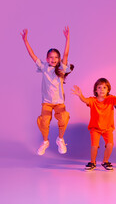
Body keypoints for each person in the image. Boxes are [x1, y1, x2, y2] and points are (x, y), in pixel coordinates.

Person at [21, 27, 73, 156]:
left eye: (56, 57)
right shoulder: (44, 67)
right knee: (43, 121)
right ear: (47, 58)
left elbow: (66, 54)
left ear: (59, 59)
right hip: (47, 103)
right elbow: (32, 55)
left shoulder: (61, 68)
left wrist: (67, 39)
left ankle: (60, 139)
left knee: (64, 118)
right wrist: (26, 41)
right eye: (50, 57)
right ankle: (45, 141)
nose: (53, 59)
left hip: (59, 102)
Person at [72, 78, 116, 171]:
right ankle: (92, 162)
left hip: (108, 129)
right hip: (95, 128)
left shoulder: (111, 99)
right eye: (99, 87)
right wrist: (80, 95)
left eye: (104, 87)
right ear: (95, 90)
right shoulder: (92, 100)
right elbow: (85, 100)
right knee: (94, 146)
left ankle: (105, 161)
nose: (102, 89)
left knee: (110, 145)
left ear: (108, 90)